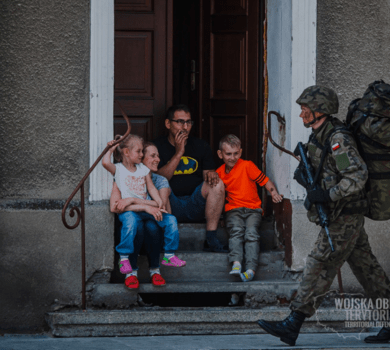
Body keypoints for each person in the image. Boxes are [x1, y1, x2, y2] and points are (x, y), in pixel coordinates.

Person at [257, 86, 390, 346]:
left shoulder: (337, 139)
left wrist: (327, 196)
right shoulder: (320, 135)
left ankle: (293, 323)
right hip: (344, 215)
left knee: (319, 263)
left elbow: (355, 176)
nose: (301, 115)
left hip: (344, 216)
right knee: (367, 269)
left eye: (305, 110)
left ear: (320, 111)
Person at [102, 135, 186, 287]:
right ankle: (126, 262)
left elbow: (155, 196)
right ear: (127, 152)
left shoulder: (147, 172)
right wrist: (111, 149)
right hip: (133, 215)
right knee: (134, 223)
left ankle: (165, 258)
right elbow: (115, 206)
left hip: (147, 213)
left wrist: (152, 202)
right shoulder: (119, 171)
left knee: (165, 222)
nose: (157, 160)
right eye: (141, 152)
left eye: (142, 152)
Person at [153, 104, 227, 252]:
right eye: (180, 122)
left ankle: (211, 237)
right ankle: (166, 237)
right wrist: (179, 153)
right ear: (168, 124)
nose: (185, 126)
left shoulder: (201, 146)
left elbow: (209, 177)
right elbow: (157, 179)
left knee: (217, 184)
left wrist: (212, 174)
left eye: (188, 122)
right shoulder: (157, 147)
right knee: (162, 186)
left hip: (196, 203)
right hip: (170, 204)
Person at [216, 134, 283, 282]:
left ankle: (251, 269)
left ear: (240, 152)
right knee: (236, 232)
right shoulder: (219, 173)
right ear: (220, 154)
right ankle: (236, 263)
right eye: (228, 154)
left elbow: (265, 181)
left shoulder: (247, 166)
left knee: (252, 234)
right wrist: (220, 217)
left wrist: (274, 193)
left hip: (253, 210)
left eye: (235, 153)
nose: (232, 158)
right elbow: (218, 198)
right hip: (233, 211)